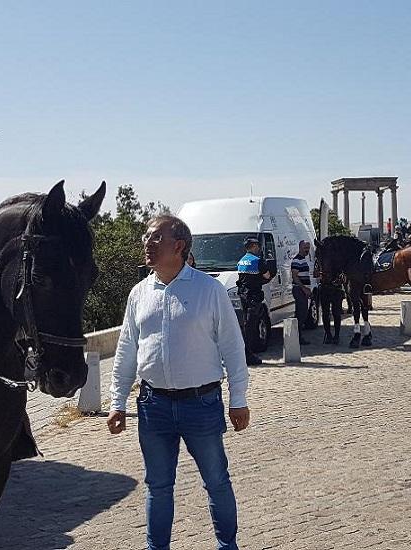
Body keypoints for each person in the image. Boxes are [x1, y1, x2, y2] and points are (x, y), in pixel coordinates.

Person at [107, 215, 250, 550]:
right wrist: (117, 403)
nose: (147, 242)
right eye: (146, 236)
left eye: (156, 237)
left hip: (201, 404)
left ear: (179, 246)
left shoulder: (209, 290)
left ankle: (227, 546)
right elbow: (127, 349)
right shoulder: (139, 294)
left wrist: (238, 398)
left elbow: (232, 345)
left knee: (216, 481)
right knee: (158, 485)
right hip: (153, 406)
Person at [236, 236, 273, 365]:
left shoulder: (241, 261)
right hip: (254, 296)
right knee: (252, 326)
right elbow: (267, 276)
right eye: (256, 245)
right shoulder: (258, 261)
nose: (258, 247)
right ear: (252, 246)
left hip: (243, 296)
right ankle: (249, 354)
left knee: (246, 324)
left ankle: (247, 352)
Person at [290, 240, 313, 345]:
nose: (307, 250)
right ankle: (297, 337)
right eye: (305, 248)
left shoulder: (304, 259)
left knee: (303, 314)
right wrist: (304, 288)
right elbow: (295, 276)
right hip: (299, 290)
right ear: (300, 247)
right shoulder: (297, 260)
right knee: (301, 314)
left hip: (303, 290)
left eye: (308, 248)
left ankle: (298, 336)